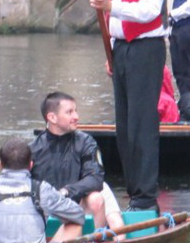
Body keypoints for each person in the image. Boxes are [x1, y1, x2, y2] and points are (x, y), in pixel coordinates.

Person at [88, 0, 169, 212]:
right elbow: (112, 15)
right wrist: (111, 50)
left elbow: (148, 10)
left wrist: (111, 5)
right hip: (122, 50)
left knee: (142, 124)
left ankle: (146, 197)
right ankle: (134, 194)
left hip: (146, 49)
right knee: (124, 127)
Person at [0, 138, 85, 243]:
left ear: (0, 165)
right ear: (31, 165)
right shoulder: (42, 190)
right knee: (74, 224)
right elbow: (78, 215)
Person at [30, 91, 125, 230]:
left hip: (77, 202)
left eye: (76, 111)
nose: (76, 117)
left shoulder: (86, 142)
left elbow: (95, 178)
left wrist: (67, 191)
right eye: (69, 112)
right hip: (46, 208)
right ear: (52, 117)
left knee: (97, 198)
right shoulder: (32, 149)